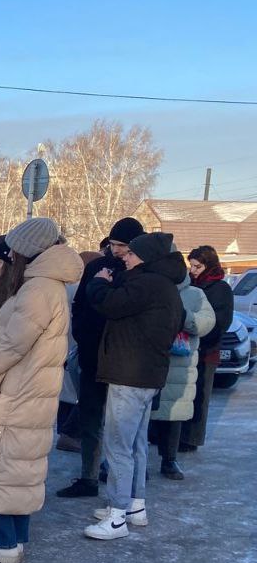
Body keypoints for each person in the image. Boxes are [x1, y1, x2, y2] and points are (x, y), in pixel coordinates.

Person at [0, 217, 83, 563]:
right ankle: (10, 538)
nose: (9, 254)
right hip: (26, 393)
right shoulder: (45, 285)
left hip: (14, 394)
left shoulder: (38, 289)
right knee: (13, 469)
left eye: (14, 248)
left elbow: (12, 345)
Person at [84, 232, 185, 540]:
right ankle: (134, 506)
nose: (124, 257)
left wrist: (99, 281)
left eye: (130, 253)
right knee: (137, 445)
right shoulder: (167, 286)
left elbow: (110, 305)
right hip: (148, 376)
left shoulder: (146, 283)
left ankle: (117, 516)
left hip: (129, 376)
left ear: (146, 257)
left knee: (118, 447)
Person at [56, 217, 144, 499]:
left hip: (125, 362)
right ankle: (89, 476)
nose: (117, 251)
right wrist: (83, 335)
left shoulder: (142, 274)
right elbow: (80, 304)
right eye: (114, 244)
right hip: (93, 355)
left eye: (123, 246)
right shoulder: (96, 266)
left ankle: (121, 484)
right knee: (91, 418)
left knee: (123, 426)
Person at [148, 262, 215, 479]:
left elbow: (207, 322)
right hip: (148, 361)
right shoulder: (148, 287)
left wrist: (184, 318)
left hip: (180, 365)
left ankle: (170, 460)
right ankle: (137, 464)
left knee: (174, 412)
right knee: (142, 414)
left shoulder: (195, 294)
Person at [180, 246, 234, 452]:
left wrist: (199, 332)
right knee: (184, 393)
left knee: (200, 395)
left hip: (206, 351)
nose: (193, 270)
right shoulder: (191, 285)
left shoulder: (219, 288)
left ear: (208, 266)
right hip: (187, 348)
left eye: (197, 266)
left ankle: (191, 438)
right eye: (191, 266)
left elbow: (221, 322)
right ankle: (177, 435)